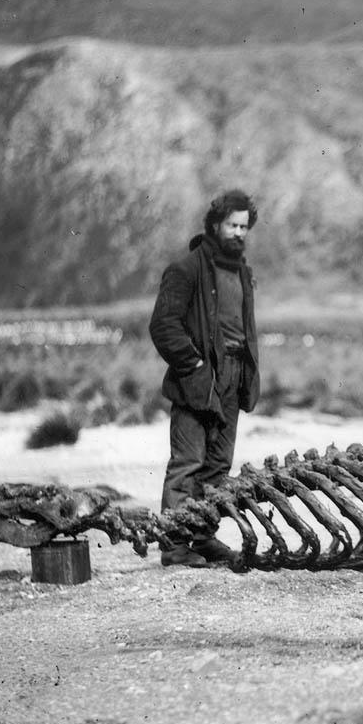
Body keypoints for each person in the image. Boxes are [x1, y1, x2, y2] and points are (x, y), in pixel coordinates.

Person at [149, 190, 261, 567]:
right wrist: (194, 366)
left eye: (244, 226)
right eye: (232, 224)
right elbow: (164, 325)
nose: (239, 232)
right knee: (188, 461)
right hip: (198, 377)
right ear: (215, 224)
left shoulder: (242, 272)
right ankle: (174, 543)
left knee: (218, 464)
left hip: (234, 375)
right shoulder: (186, 268)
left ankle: (202, 536)